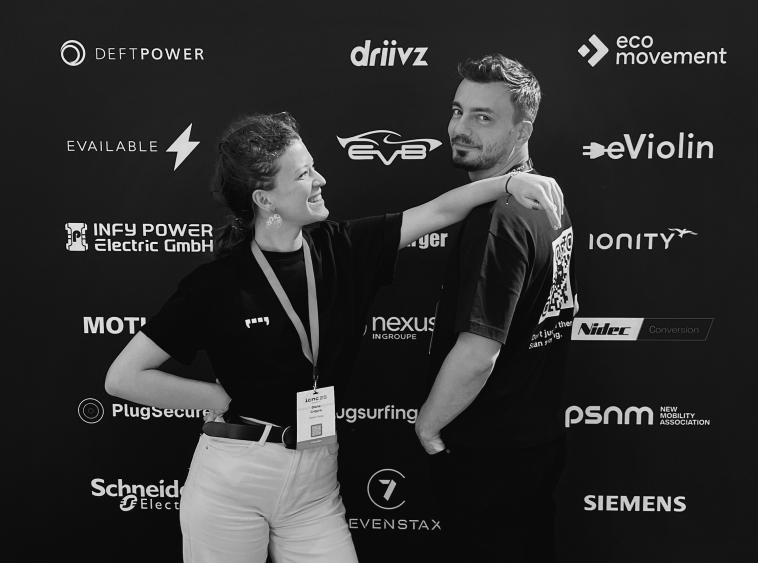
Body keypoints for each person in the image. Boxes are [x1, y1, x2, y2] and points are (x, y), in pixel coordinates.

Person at [104, 111, 564, 563]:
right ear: (265, 199)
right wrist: (219, 399)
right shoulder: (215, 285)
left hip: (316, 477)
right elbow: (124, 377)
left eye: (313, 167)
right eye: (303, 174)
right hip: (236, 475)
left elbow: (441, 210)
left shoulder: (342, 247)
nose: (320, 179)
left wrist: (509, 183)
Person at [416, 55, 576, 563]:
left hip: (490, 455)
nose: (460, 128)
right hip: (531, 443)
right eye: (457, 111)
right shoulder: (540, 196)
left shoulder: (500, 219)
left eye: (483, 117)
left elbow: (478, 352)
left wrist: (428, 426)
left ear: (522, 129)